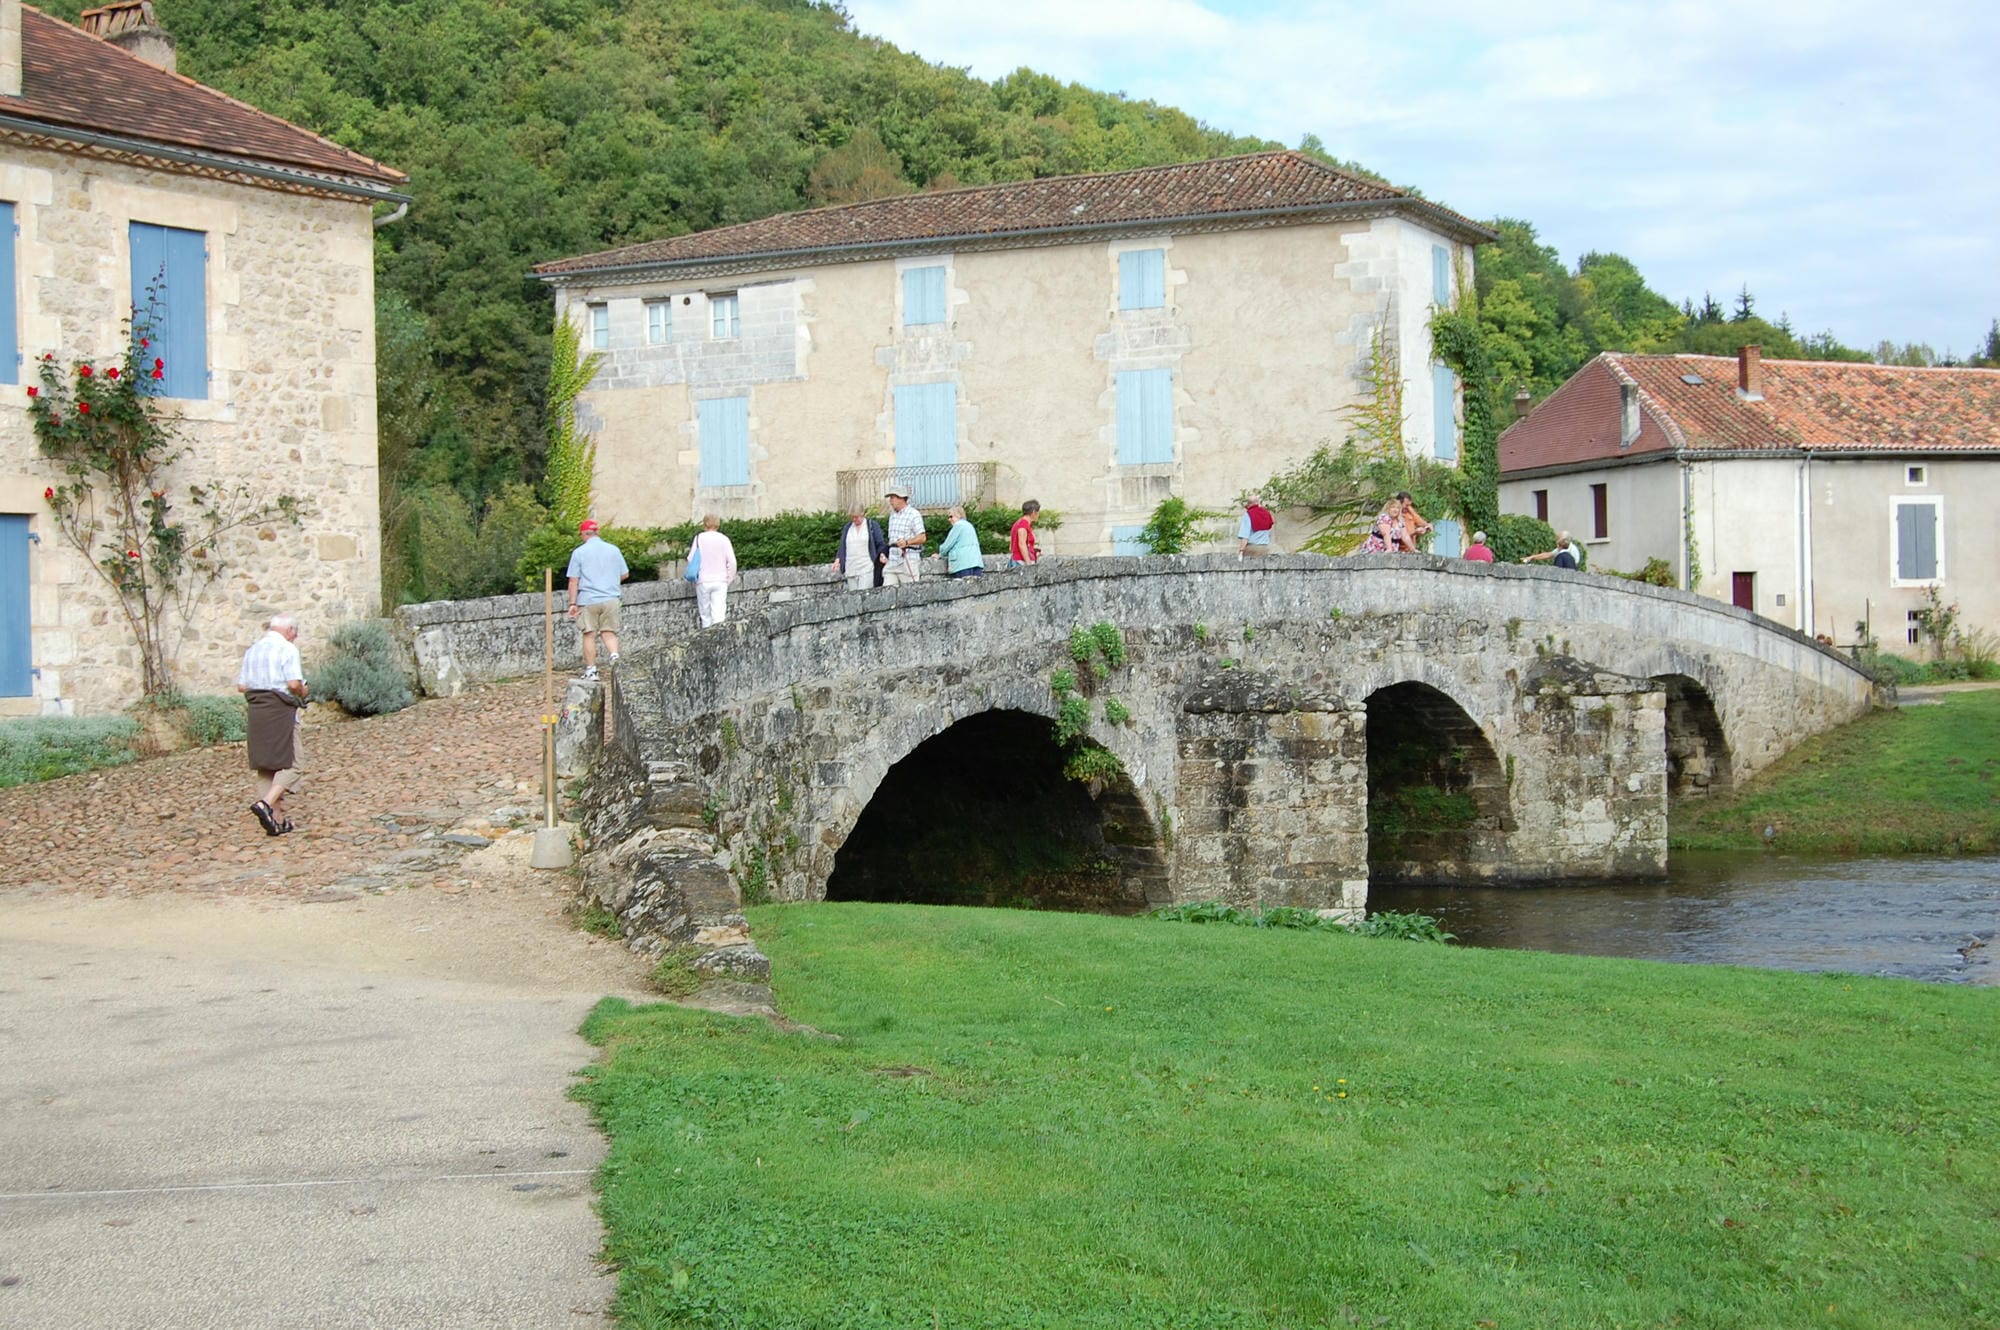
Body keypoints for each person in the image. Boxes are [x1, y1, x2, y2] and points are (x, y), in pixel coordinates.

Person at [237, 613, 308, 837]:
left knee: (266, 765)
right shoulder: (287, 649)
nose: (295, 637)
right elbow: (293, 683)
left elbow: (242, 686)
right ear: (289, 630)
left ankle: (276, 821)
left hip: (257, 709)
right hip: (280, 709)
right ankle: (266, 804)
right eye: (295, 633)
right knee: (295, 763)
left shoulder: (252, 650)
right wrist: (304, 691)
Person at [565, 519, 629, 682]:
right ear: (597, 532)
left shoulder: (579, 553)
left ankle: (592, 670)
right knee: (609, 632)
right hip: (611, 598)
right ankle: (615, 660)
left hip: (588, 599)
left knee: (589, 634)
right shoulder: (613, 550)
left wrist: (572, 603)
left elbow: (573, 580)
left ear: (583, 534)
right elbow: (624, 574)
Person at [690, 513, 738, 627]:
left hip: (703, 581)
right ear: (718, 524)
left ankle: (706, 639)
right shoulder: (724, 539)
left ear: (704, 524)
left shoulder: (699, 538)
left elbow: (691, 559)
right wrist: (728, 578)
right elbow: (732, 562)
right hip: (720, 580)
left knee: (705, 615)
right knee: (719, 615)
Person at [831, 505, 887, 591]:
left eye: (856, 517)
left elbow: (880, 543)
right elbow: (843, 545)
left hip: (866, 567)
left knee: (864, 594)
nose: (854, 519)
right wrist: (838, 559)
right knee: (854, 598)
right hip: (851, 568)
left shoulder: (871, 525)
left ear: (863, 514)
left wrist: (882, 554)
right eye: (852, 517)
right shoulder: (848, 527)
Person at [883, 485, 926, 585]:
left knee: (910, 595)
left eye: (892, 498)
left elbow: (922, 537)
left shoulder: (914, 514)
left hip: (908, 561)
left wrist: (907, 542)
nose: (890, 501)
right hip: (892, 562)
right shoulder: (892, 516)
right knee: (887, 593)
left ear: (901, 498)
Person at [938, 504, 984, 578]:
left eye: (951, 516)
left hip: (963, 564)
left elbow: (948, 545)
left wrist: (940, 554)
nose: (949, 519)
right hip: (976, 562)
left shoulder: (958, 526)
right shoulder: (969, 525)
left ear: (958, 515)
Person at [1009, 499, 1041, 566]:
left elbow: (1011, 547)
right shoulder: (1023, 525)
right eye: (1038, 512)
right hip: (1021, 561)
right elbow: (1022, 544)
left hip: (1017, 559)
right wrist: (1028, 563)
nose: (1038, 514)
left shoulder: (1018, 523)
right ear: (1033, 512)